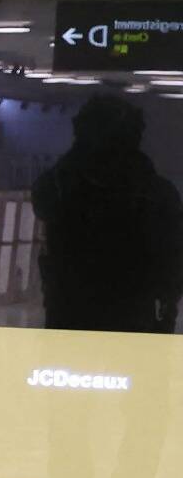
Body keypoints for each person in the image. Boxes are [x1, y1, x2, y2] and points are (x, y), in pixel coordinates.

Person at [31, 93, 183, 334]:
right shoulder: (157, 192)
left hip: (72, 313)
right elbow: (173, 265)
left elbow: (42, 199)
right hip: (133, 316)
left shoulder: (63, 185)